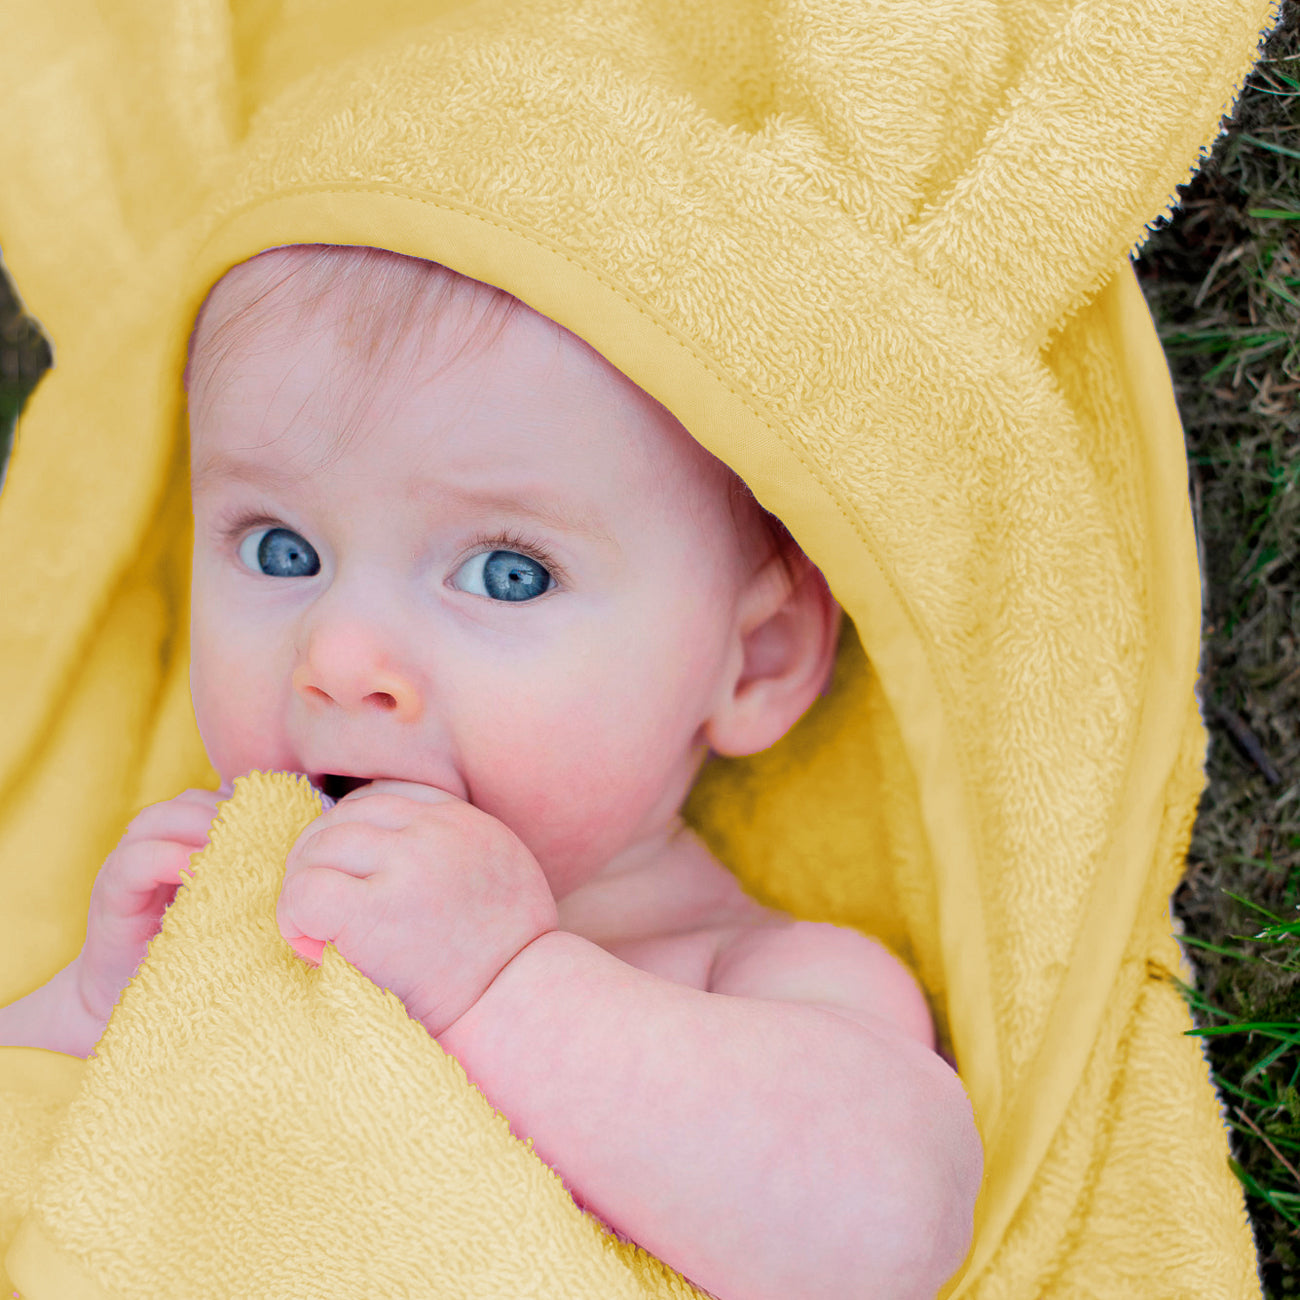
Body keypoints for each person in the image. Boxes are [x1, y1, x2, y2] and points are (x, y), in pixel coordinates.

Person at [0, 243, 983, 1300]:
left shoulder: (759, 979)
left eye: (506, 575)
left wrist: (502, 982)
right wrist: (89, 1013)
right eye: (284, 550)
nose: (336, 656)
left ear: (757, 657)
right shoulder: (216, 923)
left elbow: (883, 1236)